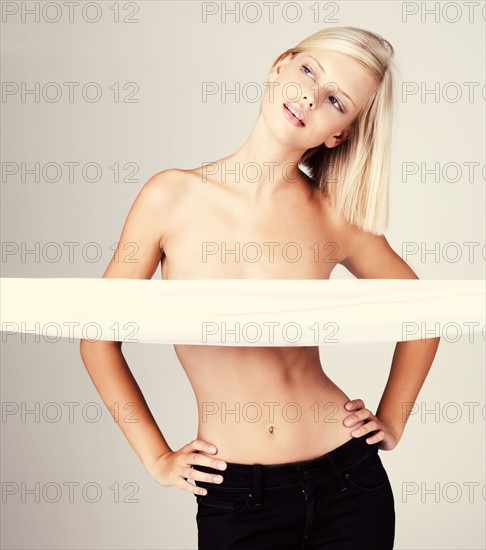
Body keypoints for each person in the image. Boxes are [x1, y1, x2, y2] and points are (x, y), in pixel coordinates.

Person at [79, 26, 440, 549]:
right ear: (280, 65)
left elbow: (425, 313)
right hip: (237, 495)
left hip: (348, 483)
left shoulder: (336, 216)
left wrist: (393, 418)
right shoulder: (169, 198)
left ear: (338, 133)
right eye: (309, 72)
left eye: (336, 100)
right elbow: (96, 337)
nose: (311, 97)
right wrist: (155, 456)